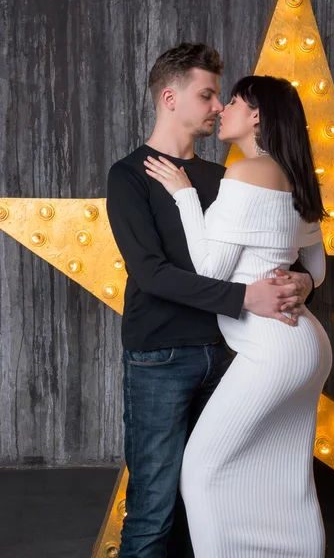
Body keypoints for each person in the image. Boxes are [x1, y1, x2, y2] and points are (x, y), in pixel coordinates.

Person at [106, 44, 314, 558]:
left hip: (224, 356)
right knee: (154, 506)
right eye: (208, 94)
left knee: (209, 496)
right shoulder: (128, 176)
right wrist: (246, 298)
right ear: (170, 98)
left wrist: (305, 284)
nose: (219, 105)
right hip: (159, 356)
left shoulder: (228, 176)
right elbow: (152, 274)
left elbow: (288, 249)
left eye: (222, 96)